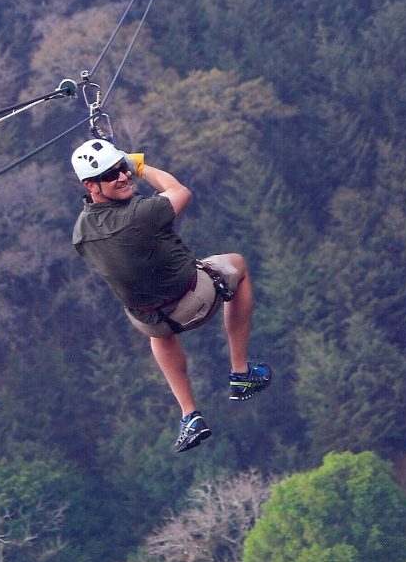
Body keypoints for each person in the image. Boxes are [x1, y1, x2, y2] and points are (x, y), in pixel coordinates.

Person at [70, 138, 271, 453]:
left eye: (122, 169)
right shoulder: (141, 213)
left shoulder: (80, 233)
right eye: (111, 175)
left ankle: (189, 414)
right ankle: (241, 372)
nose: (122, 177)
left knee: (155, 324)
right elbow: (179, 191)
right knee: (237, 265)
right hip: (194, 300)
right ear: (91, 185)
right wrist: (138, 163)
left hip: (151, 321)